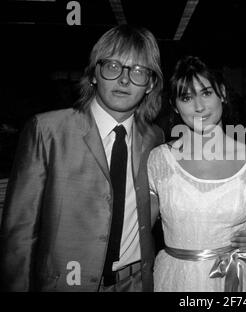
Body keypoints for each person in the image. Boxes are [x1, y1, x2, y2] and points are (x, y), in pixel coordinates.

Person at [0, 25, 165, 291]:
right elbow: (19, 234)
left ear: (150, 84)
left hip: (136, 282)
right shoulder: (47, 131)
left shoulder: (154, 138)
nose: (124, 80)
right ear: (93, 75)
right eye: (112, 66)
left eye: (137, 71)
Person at [148, 56, 246, 291]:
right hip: (175, 279)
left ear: (222, 93)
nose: (199, 106)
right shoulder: (159, 159)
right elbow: (138, 231)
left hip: (234, 279)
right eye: (186, 97)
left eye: (206, 93)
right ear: (174, 105)